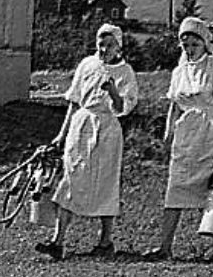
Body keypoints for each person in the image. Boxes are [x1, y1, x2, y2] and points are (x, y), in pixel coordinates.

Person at [143, 17, 213, 263]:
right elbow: (173, 106)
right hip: (186, 137)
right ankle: (165, 246)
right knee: (175, 188)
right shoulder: (179, 72)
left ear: (205, 44)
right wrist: (168, 134)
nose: (189, 49)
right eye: (185, 44)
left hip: (211, 135)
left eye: (194, 44)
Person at [37, 23, 139, 260]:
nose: (104, 49)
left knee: (106, 181)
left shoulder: (125, 73)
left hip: (108, 129)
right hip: (82, 124)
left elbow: (123, 107)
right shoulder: (88, 65)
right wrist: (62, 135)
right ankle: (57, 239)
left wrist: (113, 90)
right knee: (72, 176)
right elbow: (74, 100)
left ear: (119, 47)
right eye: (101, 44)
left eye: (109, 45)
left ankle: (105, 240)